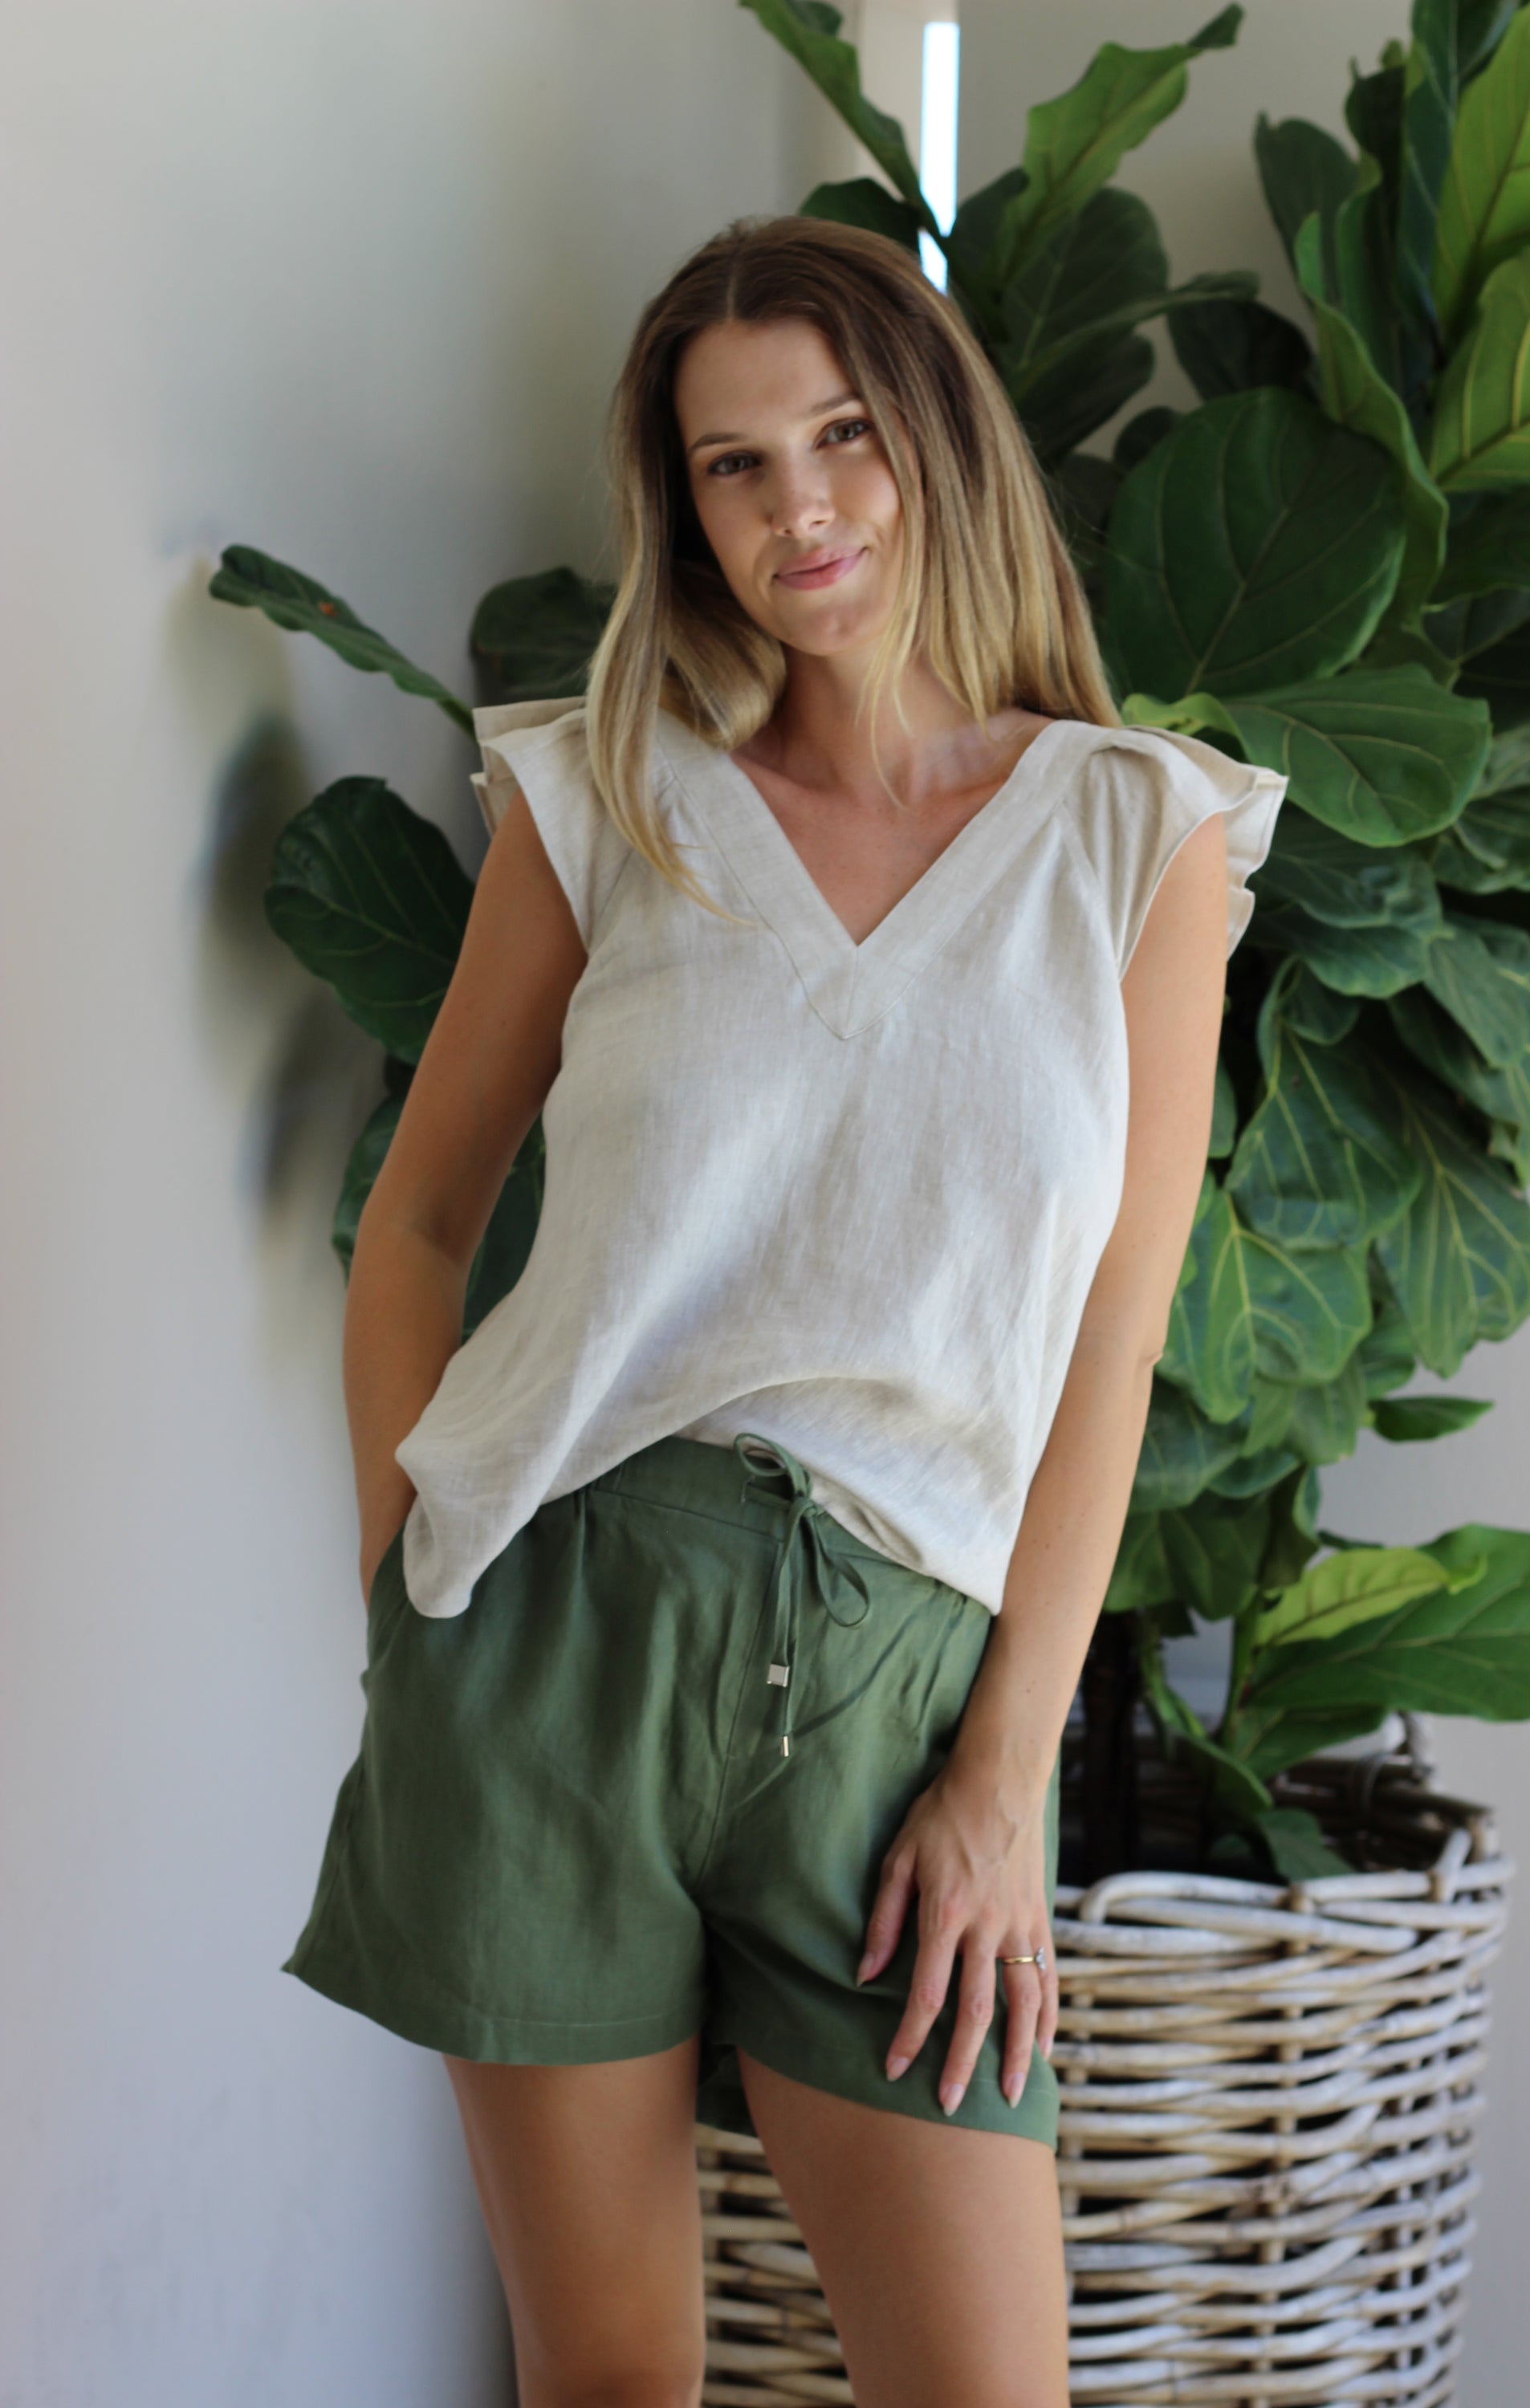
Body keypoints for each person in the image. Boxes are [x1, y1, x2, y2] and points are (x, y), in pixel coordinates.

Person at [284, 213, 1288, 2408]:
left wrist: (1003, 1777)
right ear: (682, 506)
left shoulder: (1139, 837)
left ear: (935, 440)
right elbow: (423, 1218)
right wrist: (408, 1591)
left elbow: (1116, 1334)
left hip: (901, 1692)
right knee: (610, 2381)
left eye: (840, 435)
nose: (798, 507)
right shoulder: (611, 798)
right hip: (555, 1641)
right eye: (732, 464)